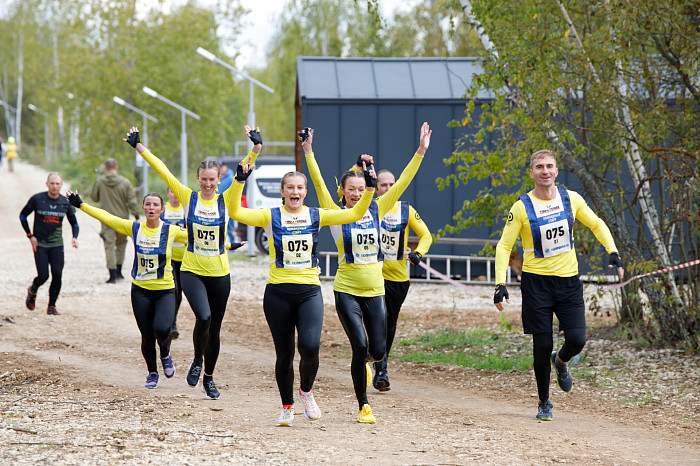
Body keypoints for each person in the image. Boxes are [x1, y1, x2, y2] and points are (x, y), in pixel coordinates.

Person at [229, 125, 377, 427]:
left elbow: (354, 214)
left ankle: (306, 391)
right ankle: (286, 406)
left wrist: (371, 188)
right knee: (284, 355)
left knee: (309, 348)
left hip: (309, 292)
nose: (295, 192)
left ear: (305, 192)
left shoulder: (315, 214)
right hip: (278, 293)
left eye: (300, 188)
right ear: (282, 192)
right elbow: (234, 211)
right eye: (290, 188)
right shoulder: (270, 215)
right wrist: (239, 179)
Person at [303, 122, 432, 423]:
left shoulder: (378, 207)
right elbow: (320, 184)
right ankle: (363, 404)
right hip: (346, 289)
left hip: (376, 291)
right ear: (344, 193)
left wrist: (421, 151)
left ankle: (370, 363)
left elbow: (402, 183)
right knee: (359, 347)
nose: (357, 194)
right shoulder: (335, 214)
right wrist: (308, 151)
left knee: (377, 349)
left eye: (361, 190)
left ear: (367, 190)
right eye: (351, 190)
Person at [493, 150, 624, 421]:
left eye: (549, 166)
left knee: (577, 340)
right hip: (536, 285)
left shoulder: (570, 199)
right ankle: (544, 402)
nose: (544, 171)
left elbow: (597, 224)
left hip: (568, 283)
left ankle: (561, 361)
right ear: (531, 172)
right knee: (541, 345)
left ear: (556, 170)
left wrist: (612, 251)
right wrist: (500, 283)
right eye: (539, 167)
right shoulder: (521, 207)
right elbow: (505, 245)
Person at [124, 126, 250, 400]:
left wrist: (256, 147)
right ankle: (196, 360)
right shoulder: (187, 196)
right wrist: (139, 147)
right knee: (203, 316)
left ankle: (207, 376)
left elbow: (243, 173)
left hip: (220, 272)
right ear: (197, 179)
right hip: (192, 270)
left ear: (219, 180)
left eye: (211, 180)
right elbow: (163, 171)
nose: (207, 184)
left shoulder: (225, 199)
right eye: (203, 179)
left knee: (214, 329)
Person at [67, 190, 186, 390]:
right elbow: (108, 217)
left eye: (155, 205)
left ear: (162, 209)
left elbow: (198, 238)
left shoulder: (171, 230)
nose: (151, 208)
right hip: (140, 290)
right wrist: (81, 205)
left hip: (165, 289)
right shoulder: (135, 228)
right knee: (147, 336)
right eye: (147, 204)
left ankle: (165, 353)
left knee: (163, 329)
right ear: (142, 208)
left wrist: (227, 245)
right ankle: (152, 372)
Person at [20, 173, 79, 315]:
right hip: (40, 244)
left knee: (57, 274)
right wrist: (30, 236)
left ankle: (51, 306)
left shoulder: (65, 202)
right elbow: (23, 216)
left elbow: (74, 223)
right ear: (47, 184)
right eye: (52, 183)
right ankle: (33, 290)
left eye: (58, 184)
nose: (55, 186)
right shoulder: (37, 199)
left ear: (61, 185)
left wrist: (74, 237)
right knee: (43, 276)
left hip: (57, 245)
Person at [90, 158, 140, 283]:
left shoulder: (100, 181)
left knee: (109, 246)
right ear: (116, 168)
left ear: (106, 168)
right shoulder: (125, 182)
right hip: (122, 219)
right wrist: (136, 215)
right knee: (122, 244)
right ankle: (119, 271)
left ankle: (112, 275)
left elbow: (94, 197)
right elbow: (132, 201)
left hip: (106, 219)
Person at [161, 187, 186, 339]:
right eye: (172, 192)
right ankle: (171, 324)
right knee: (173, 291)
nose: (175, 196)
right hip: (169, 259)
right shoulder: (164, 211)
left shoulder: (186, 210)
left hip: (184, 259)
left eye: (178, 193)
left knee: (179, 293)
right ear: (168, 194)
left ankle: (173, 322)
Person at [217, 162, 238, 246]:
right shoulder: (219, 178)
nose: (221, 169)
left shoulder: (230, 178)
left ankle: (232, 245)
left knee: (229, 227)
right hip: (219, 206)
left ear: (226, 167)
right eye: (219, 167)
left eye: (222, 167)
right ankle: (222, 245)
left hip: (228, 207)